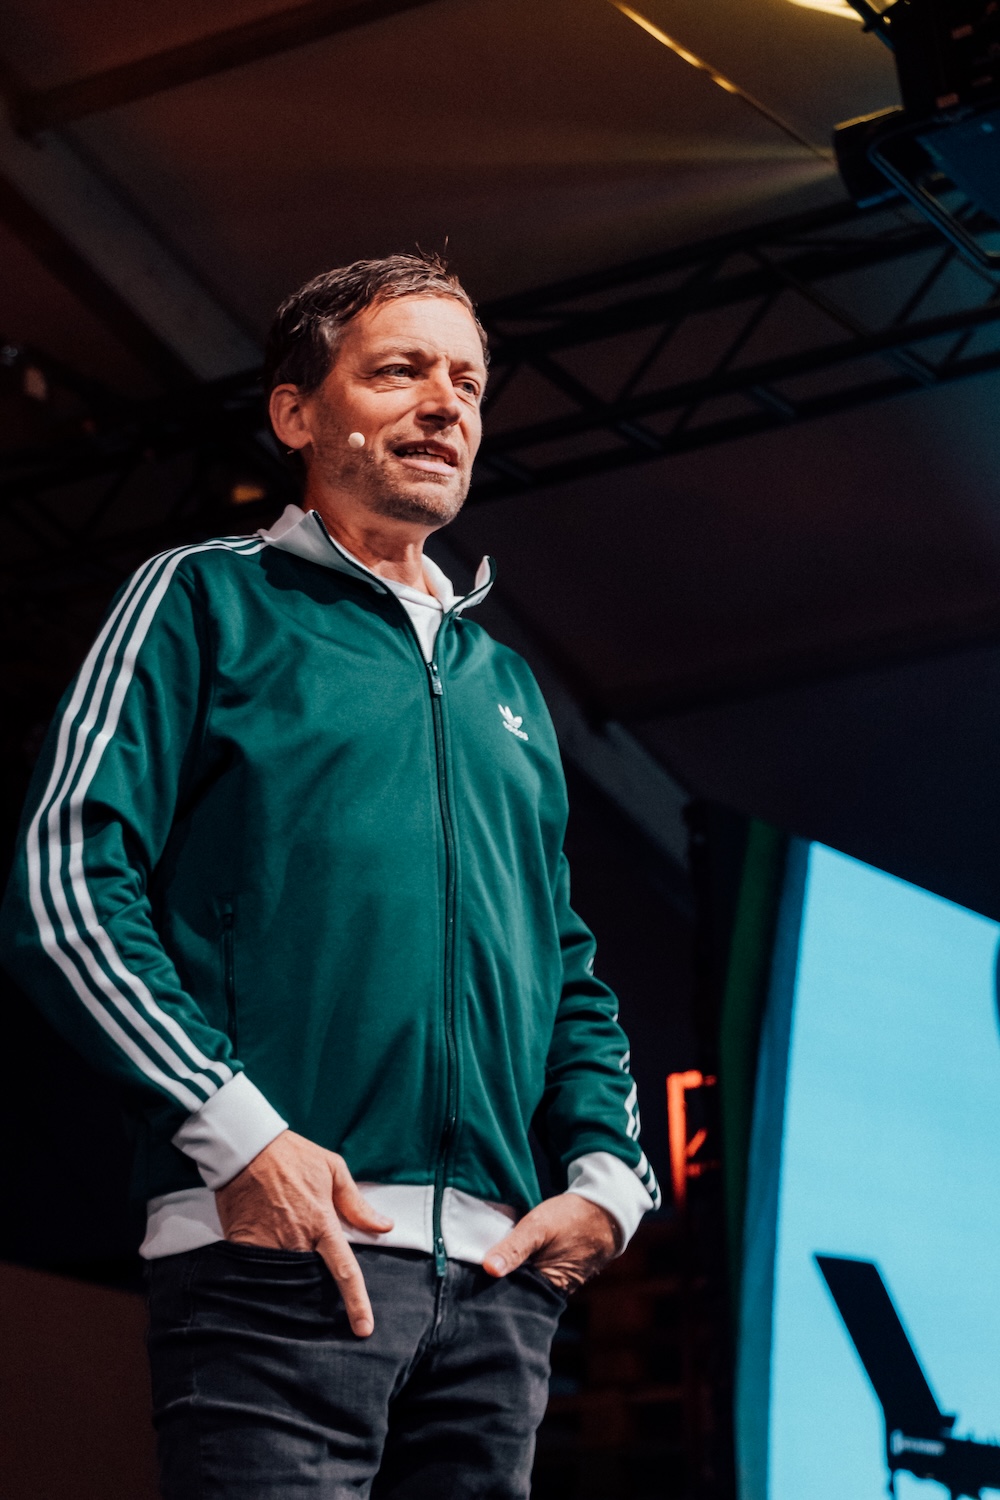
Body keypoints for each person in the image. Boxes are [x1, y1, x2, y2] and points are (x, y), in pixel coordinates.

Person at [0, 253, 660, 1499]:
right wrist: (240, 1138)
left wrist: (612, 1186)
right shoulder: (204, 599)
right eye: (401, 369)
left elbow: (564, 967)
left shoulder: (508, 686)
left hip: (500, 1290)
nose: (445, 403)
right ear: (296, 413)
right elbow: (67, 883)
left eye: (468, 383)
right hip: (276, 1250)